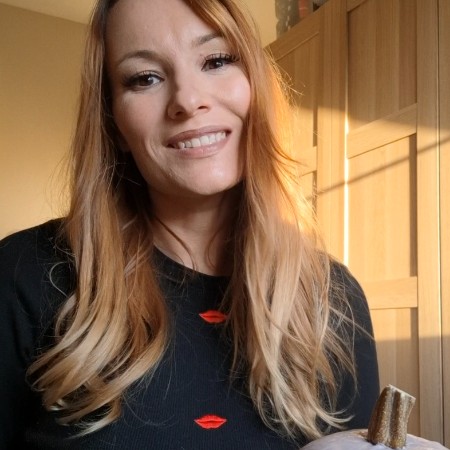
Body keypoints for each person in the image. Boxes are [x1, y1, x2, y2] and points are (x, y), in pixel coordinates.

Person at [0, 0, 380, 448]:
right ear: (114, 123)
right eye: (145, 78)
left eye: (216, 60)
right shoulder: (24, 273)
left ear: (255, 85)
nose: (187, 99)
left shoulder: (334, 299)